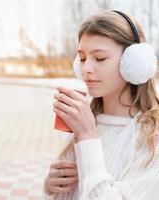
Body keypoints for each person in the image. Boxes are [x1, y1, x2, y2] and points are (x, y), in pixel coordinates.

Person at [40, 10, 159, 200]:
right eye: (82, 58)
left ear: (134, 62)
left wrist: (87, 136)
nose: (86, 68)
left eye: (100, 58)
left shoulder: (152, 139)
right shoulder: (84, 121)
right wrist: (49, 187)